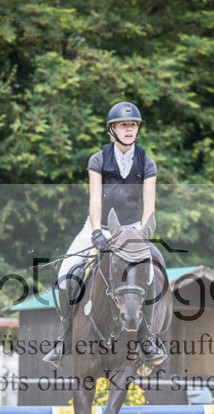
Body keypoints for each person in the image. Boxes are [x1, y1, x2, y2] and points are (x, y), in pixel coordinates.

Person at [43, 101, 165, 366]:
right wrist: (97, 230)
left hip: (133, 230)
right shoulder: (98, 160)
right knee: (67, 273)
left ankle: (146, 337)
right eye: (124, 125)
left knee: (151, 280)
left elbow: (149, 205)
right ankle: (65, 337)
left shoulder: (148, 162)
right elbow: (96, 198)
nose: (130, 129)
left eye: (133, 125)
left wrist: (142, 234)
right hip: (101, 227)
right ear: (112, 129)